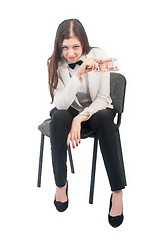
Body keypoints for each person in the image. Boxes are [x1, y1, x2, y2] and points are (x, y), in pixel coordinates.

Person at [47, 18, 127, 227]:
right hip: (70, 111)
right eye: (65, 47)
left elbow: (103, 98)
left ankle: (116, 192)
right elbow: (62, 104)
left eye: (75, 46)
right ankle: (60, 184)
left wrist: (81, 118)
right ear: (59, 46)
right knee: (58, 117)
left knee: (103, 118)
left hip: (98, 111)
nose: (71, 53)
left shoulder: (99, 56)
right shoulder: (55, 62)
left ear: (83, 42)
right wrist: (79, 74)